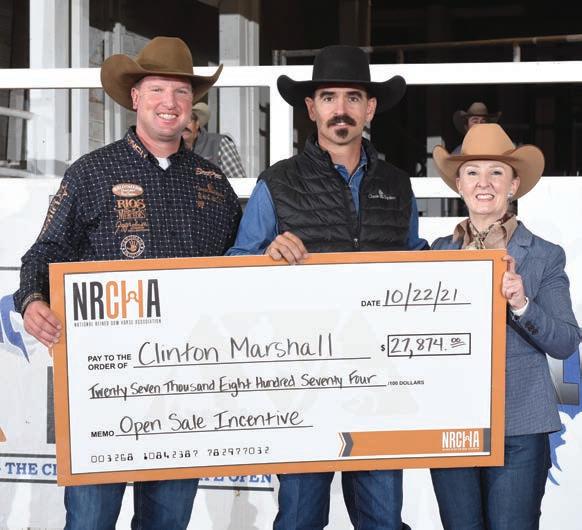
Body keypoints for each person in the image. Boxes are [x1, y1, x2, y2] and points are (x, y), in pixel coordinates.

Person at [13, 36, 241, 530]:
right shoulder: (91, 172)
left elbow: (240, 271)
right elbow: (43, 254)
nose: (169, 102)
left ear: (192, 104)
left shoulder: (214, 184)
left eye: (181, 92)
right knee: (90, 522)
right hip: (102, 383)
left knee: (167, 523)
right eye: (157, 89)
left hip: (185, 388)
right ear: (135, 97)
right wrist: (31, 300)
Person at [228, 44, 426, 530]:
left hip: (379, 380)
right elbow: (235, 264)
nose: (341, 109)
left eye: (353, 97)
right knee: (299, 517)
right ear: (311, 108)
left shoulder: (398, 185)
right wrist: (266, 255)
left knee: (383, 519)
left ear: (370, 108)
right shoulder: (277, 183)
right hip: (301, 380)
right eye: (329, 97)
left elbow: (415, 264)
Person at [430, 123, 582, 529]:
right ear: (459, 184)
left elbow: (566, 341)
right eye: (472, 172)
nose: (484, 183)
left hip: (520, 425)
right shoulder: (436, 254)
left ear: (513, 185)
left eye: (496, 172)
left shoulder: (545, 256)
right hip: (453, 422)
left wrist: (522, 304)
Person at [182, 101, 247, 178]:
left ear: (197, 123)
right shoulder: (172, 152)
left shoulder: (219, 144)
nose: (184, 126)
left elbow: (239, 181)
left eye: (188, 120)